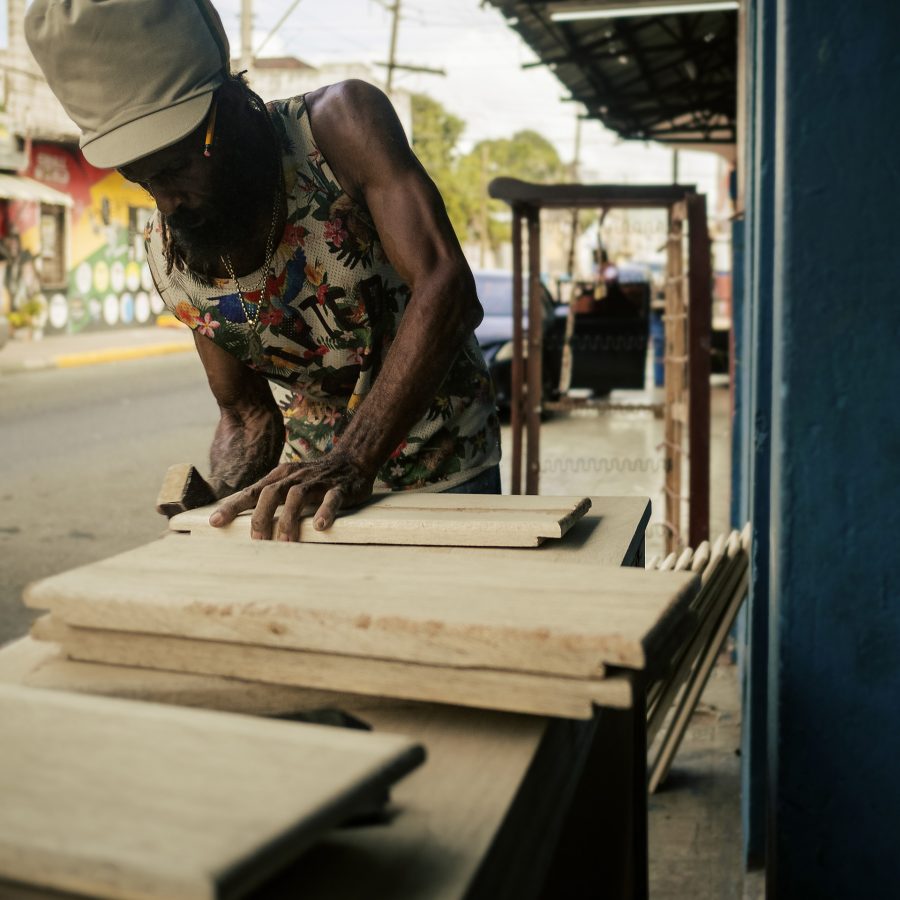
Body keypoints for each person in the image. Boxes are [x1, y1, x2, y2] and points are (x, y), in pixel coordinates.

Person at [26, 0, 501, 541]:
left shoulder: (341, 127)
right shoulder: (171, 255)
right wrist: (219, 497)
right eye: (141, 178)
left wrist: (353, 459)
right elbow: (247, 415)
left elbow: (447, 287)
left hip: (443, 469)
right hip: (309, 491)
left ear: (226, 107)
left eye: (178, 164)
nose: (167, 200)